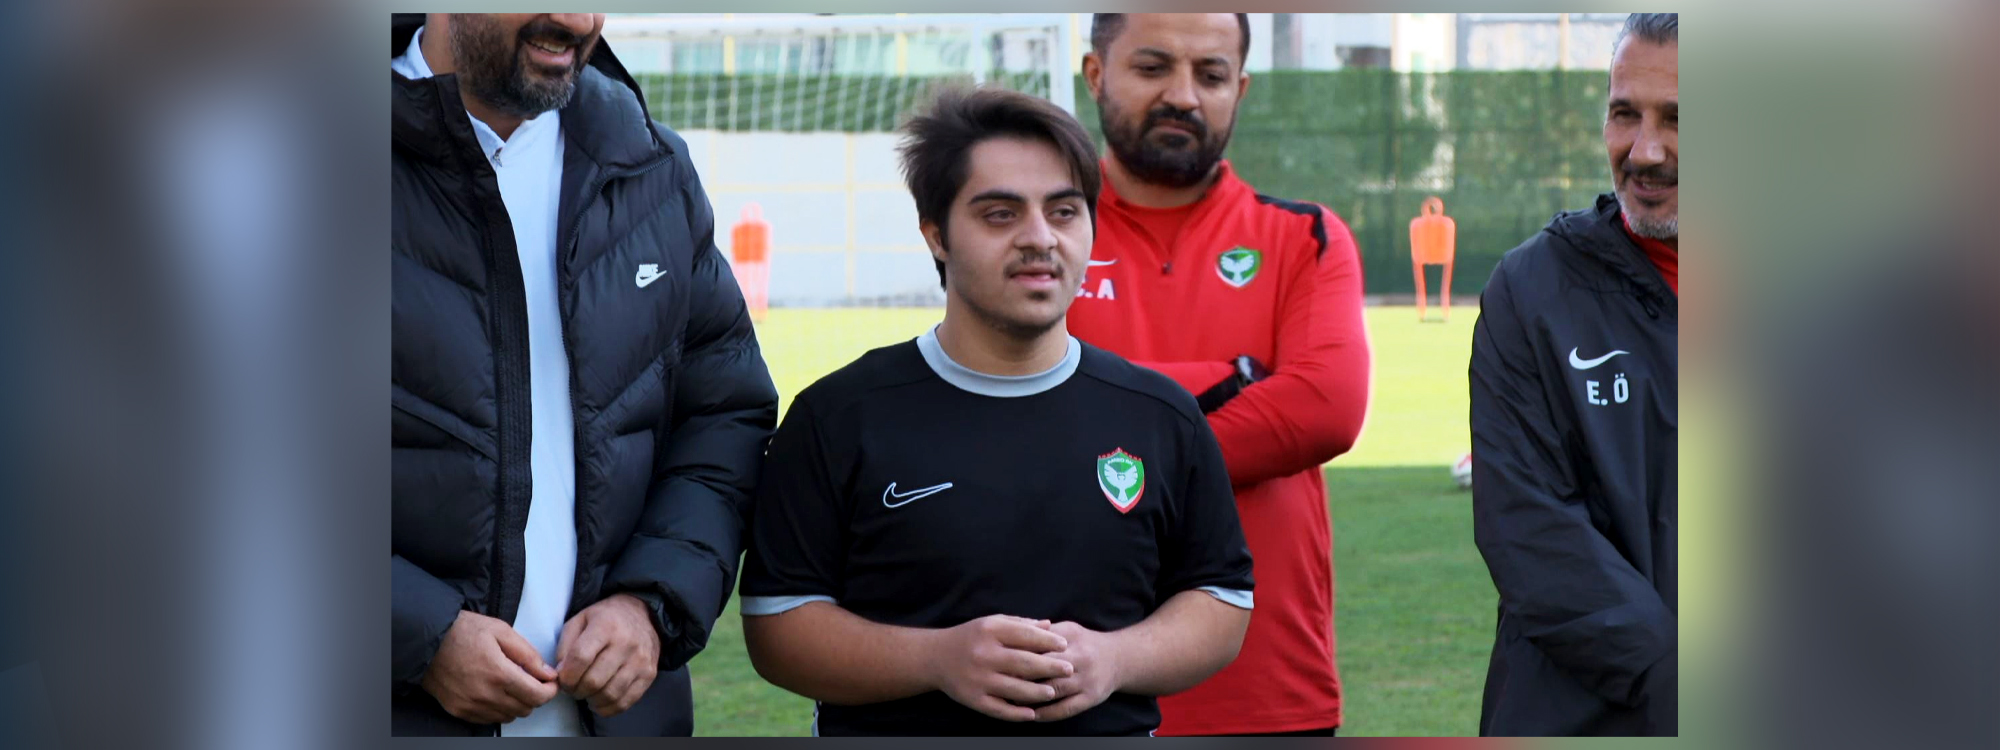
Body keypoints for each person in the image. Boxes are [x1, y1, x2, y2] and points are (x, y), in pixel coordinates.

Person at [736, 87, 1255, 737]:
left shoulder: (1159, 417)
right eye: (1000, 214)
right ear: (936, 233)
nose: (1039, 239)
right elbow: (778, 622)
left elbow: (1221, 598)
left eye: (1064, 211)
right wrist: (938, 659)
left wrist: (1115, 659)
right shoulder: (838, 416)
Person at [390, 13, 779, 736]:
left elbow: (724, 414)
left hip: (620, 717)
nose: (574, 19)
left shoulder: (652, 169)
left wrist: (650, 601)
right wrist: (417, 636)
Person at [1065, 13, 1371, 737]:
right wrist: (1231, 382)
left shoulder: (1304, 235)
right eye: (1153, 68)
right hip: (1073, 682)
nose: (1183, 95)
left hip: (1264, 692)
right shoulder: (1040, 236)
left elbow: (1324, 408)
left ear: (1241, 88)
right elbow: (1008, 421)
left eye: (1209, 75)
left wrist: (1106, 440)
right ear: (1096, 74)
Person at [1469, 12, 1678, 737]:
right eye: (1625, 114)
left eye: (1680, 119)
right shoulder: (1533, 290)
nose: (1644, 150)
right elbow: (1529, 527)